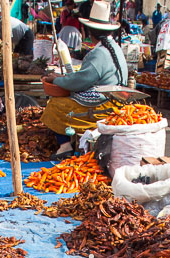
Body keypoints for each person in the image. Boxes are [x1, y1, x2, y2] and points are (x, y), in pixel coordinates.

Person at [40, 0, 127, 156]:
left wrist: (57, 79)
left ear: (90, 32)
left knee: (55, 105)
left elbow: (78, 82)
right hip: (113, 98)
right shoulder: (113, 47)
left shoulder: (100, 53)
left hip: (103, 104)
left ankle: (64, 145)